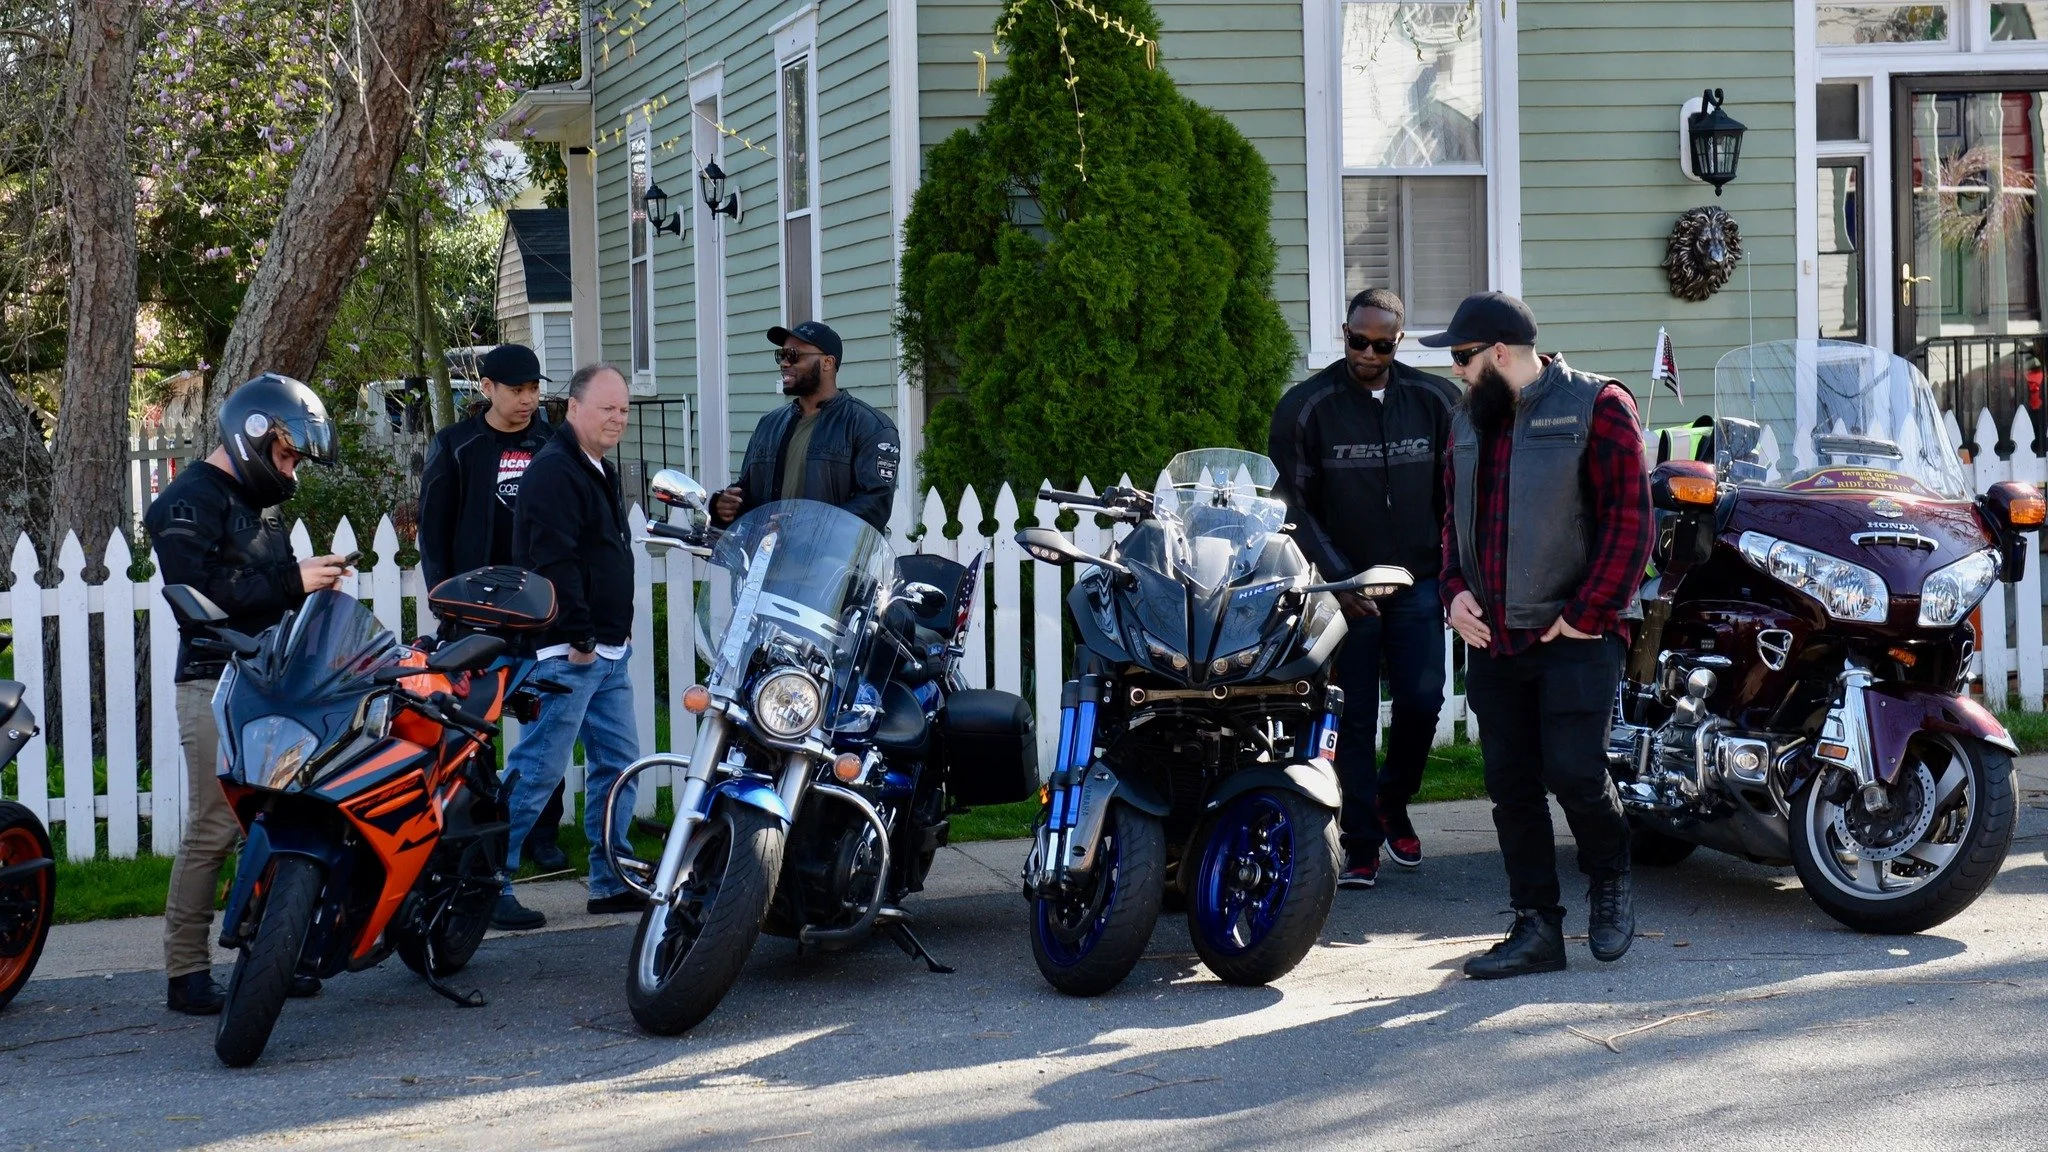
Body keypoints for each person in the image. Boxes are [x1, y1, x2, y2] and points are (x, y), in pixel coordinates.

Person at [1426, 292, 1654, 980]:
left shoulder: (1598, 406)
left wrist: (1588, 612)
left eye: (1463, 357)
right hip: (1493, 637)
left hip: (1576, 634)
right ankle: (1536, 929)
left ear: (1500, 353)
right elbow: (1451, 523)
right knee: (1511, 786)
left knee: (1575, 771)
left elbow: (1630, 521)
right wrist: (1452, 592)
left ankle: (1610, 878)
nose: (1457, 370)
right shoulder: (1467, 418)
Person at [144, 374, 347, 1014]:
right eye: (286, 456)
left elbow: (266, 592)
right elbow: (200, 598)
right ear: (254, 434)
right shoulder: (187, 501)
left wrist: (311, 595)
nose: (290, 471)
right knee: (214, 825)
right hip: (213, 682)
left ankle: (269, 957)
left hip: (267, 681)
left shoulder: (254, 504)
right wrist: (293, 579)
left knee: (278, 818)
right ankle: (185, 973)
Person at [1269, 288, 1457, 890]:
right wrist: (1336, 579)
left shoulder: (1436, 401)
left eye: (1381, 345)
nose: (1368, 354)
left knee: (1423, 701)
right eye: (1358, 341)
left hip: (1417, 583)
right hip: (1343, 589)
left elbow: (1456, 494)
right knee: (1349, 717)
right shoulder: (1307, 407)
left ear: (1399, 342)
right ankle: (1360, 841)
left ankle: (1390, 801)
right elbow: (1293, 505)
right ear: (1344, 332)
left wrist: (1450, 570)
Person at [492, 363, 646, 929]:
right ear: (574, 408)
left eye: (623, 409)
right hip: (568, 652)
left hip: (607, 652)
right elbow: (553, 558)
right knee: (537, 769)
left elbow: (603, 552)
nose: (618, 418)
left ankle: (610, 881)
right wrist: (579, 633)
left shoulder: (597, 467)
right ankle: (485, 883)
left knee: (618, 766)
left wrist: (615, 626)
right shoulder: (555, 470)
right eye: (607, 407)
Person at [415, 343, 568, 871]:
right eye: (517, 389)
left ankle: (542, 834)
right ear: (487, 388)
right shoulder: (456, 444)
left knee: (544, 726)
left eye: (534, 388)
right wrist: (444, 598)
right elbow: (432, 529)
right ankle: (475, 832)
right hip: (474, 613)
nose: (528, 399)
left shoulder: (551, 444)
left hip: (538, 611)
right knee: (473, 725)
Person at [710, 320, 900, 532]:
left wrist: (805, 528)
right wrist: (725, 506)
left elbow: (874, 506)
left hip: (831, 553)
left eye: (793, 355)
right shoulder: (769, 424)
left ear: (827, 363)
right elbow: (747, 491)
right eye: (781, 355)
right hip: (768, 551)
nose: (784, 363)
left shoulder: (870, 426)